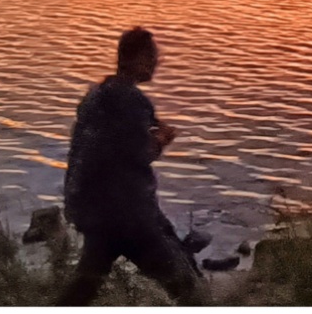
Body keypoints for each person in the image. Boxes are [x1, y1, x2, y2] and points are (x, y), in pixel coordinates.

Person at [57, 27, 206, 305]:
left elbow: (104, 145)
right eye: (151, 56)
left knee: (83, 288)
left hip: (92, 209)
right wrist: (162, 139)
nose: (155, 63)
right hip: (128, 216)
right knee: (182, 286)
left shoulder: (95, 96)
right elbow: (141, 153)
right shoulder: (132, 101)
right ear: (136, 58)